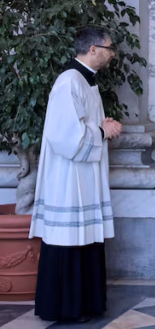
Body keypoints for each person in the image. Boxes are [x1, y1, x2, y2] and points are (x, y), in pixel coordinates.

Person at [31, 26, 123, 322]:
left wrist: (100, 124)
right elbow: (63, 135)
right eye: (109, 48)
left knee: (84, 239)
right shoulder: (68, 81)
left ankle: (85, 304)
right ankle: (65, 308)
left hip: (82, 176)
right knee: (69, 239)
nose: (112, 54)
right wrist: (100, 129)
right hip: (68, 178)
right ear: (93, 49)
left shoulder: (86, 82)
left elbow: (80, 123)